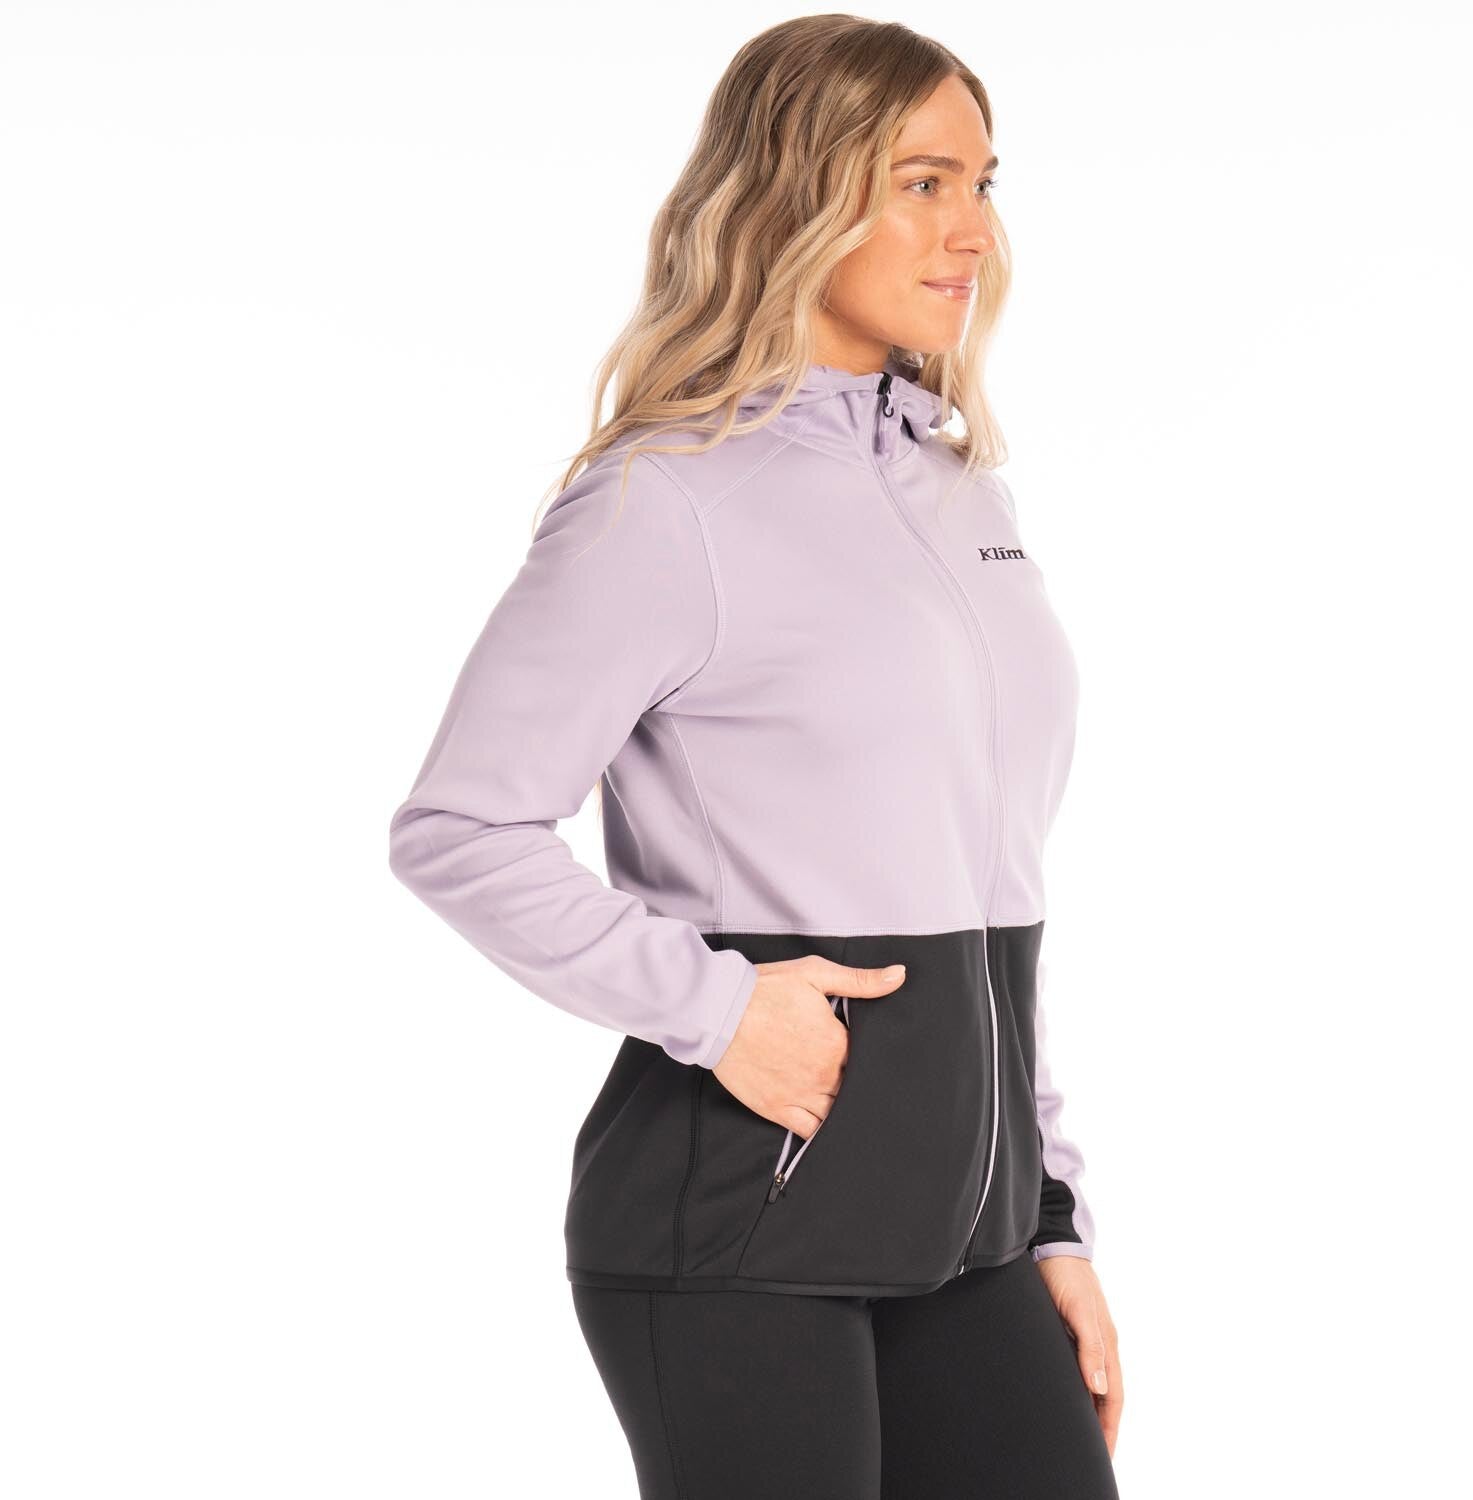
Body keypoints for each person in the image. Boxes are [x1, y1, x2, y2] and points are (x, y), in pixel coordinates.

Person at [388, 15, 1123, 1497]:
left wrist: (1052, 1219)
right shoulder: (667, 499)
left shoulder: (958, 491)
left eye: (983, 184)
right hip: (740, 1232)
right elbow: (459, 828)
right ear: (799, 191)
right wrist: (718, 1007)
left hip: (966, 1243)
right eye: (923, 183)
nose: (972, 231)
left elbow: (998, 902)